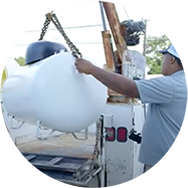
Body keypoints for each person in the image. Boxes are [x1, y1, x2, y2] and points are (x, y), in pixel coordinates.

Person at [75, 43, 188, 188]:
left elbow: (128, 88)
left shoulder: (173, 85)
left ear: (172, 59)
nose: (162, 61)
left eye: (164, 57)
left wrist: (92, 69)